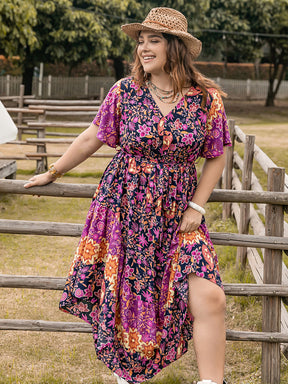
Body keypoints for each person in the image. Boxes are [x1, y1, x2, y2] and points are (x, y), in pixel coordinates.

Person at [24, 7, 231, 384]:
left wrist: (197, 206)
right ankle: (130, 375)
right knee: (129, 298)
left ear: (176, 47)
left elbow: (217, 153)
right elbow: (92, 137)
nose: (143, 49)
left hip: (177, 213)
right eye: (141, 42)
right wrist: (53, 172)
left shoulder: (206, 99)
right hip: (126, 206)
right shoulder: (126, 92)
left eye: (154, 41)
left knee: (209, 296)